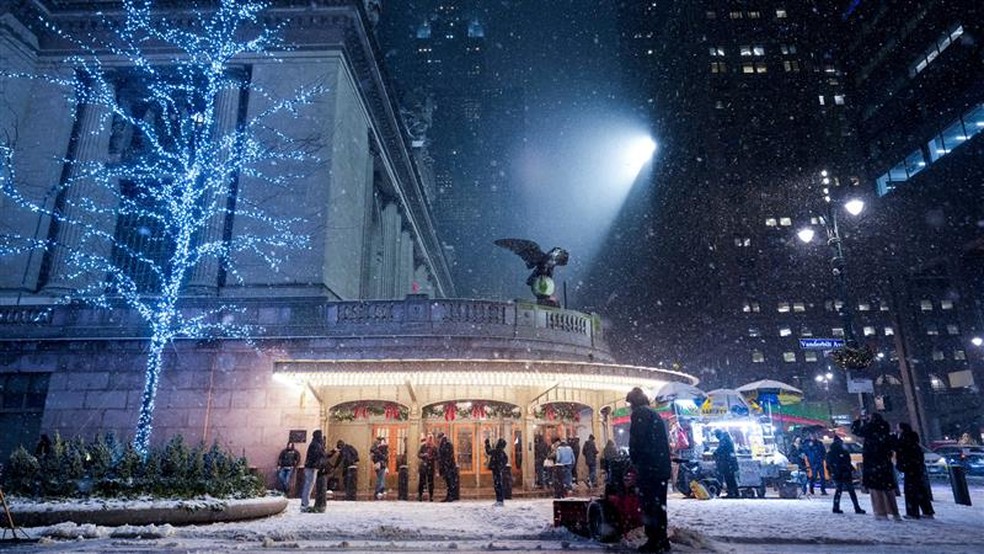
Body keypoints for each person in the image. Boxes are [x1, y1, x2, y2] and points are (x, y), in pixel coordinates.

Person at [627, 387, 672, 554]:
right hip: (660, 467)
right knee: (659, 505)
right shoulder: (653, 413)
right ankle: (662, 539)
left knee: (649, 505)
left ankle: (654, 540)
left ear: (633, 402)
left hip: (649, 468)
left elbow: (637, 442)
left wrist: (634, 460)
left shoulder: (639, 414)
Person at [852, 412, 901, 521]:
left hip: (873, 461)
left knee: (876, 488)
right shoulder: (884, 429)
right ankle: (894, 511)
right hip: (884, 462)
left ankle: (880, 511)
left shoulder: (870, 429)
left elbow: (857, 431)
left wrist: (858, 421)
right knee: (888, 488)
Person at [895, 422, 935, 519]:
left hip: (910, 467)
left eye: (897, 427)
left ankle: (913, 512)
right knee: (920, 489)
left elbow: (900, 450)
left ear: (902, 429)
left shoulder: (904, 440)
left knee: (910, 490)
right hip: (915, 467)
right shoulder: (912, 440)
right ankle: (927, 511)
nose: (896, 429)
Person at [825, 435, 865, 514]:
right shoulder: (843, 451)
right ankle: (856, 507)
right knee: (851, 491)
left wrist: (832, 472)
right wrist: (850, 469)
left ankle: (836, 507)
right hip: (845, 473)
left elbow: (829, 464)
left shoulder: (831, 452)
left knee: (839, 491)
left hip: (838, 473)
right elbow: (847, 462)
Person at [301, 430, 327, 512]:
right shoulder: (316, 445)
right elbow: (319, 455)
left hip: (311, 467)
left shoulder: (315, 444)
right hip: (311, 467)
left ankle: (305, 503)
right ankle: (305, 504)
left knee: (309, 485)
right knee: (308, 485)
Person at [713, 428, 740, 498]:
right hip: (731, 462)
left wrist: (715, 452)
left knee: (728, 477)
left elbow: (721, 449)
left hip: (727, 462)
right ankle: (736, 492)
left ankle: (731, 492)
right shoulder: (727, 437)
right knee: (731, 477)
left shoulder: (723, 439)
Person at [485, 437, 509, 506]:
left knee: (498, 485)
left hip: (496, 470)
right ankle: (500, 499)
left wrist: (487, 444)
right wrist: (501, 467)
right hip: (498, 470)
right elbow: (506, 460)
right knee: (499, 484)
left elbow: (488, 451)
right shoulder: (502, 452)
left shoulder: (497, 451)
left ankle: (499, 500)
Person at [437, 432, 459, 501]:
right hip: (447, 466)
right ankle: (449, 496)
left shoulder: (446, 444)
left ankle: (451, 496)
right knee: (449, 482)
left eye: (439, 439)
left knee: (450, 482)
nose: (438, 440)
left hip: (448, 466)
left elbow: (446, 456)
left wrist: (445, 464)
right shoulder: (446, 443)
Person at [417, 434, 437, 501]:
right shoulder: (423, 446)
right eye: (429, 439)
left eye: (431, 439)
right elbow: (418, 454)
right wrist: (424, 455)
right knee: (421, 482)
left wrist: (432, 457)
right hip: (423, 466)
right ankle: (420, 495)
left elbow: (437, 456)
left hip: (431, 466)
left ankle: (431, 496)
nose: (430, 441)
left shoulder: (434, 447)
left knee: (431, 482)